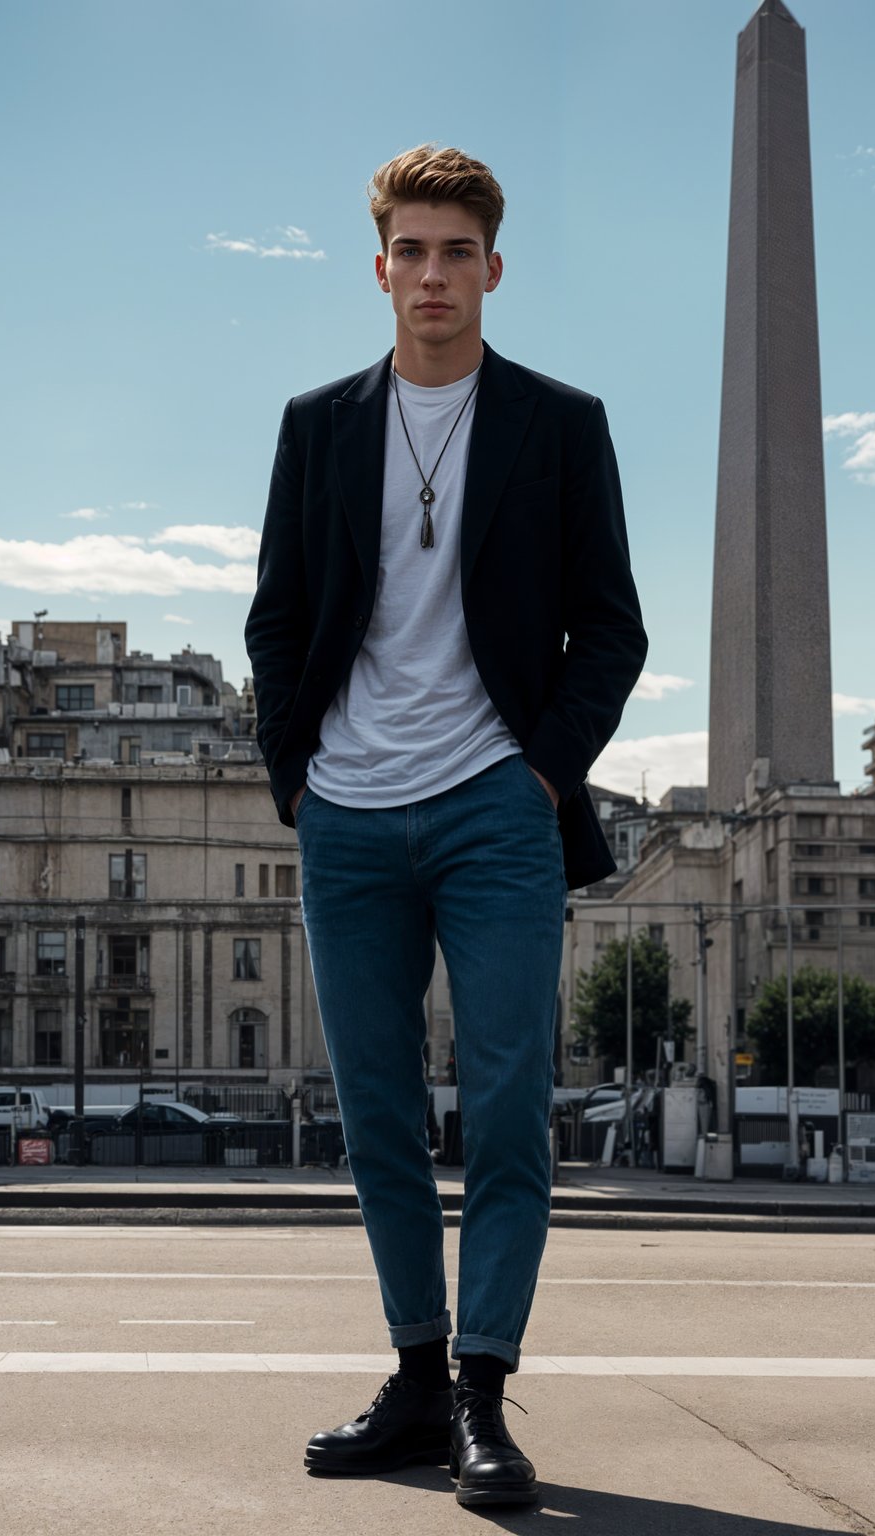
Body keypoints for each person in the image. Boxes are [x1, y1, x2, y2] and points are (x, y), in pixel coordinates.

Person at [245, 143, 647, 1509]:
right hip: (345, 816)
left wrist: (539, 774)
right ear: (380, 268)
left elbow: (614, 626)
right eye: (409, 251)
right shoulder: (319, 424)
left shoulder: (558, 422)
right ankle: (417, 1377)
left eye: (455, 252)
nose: (431, 275)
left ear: (492, 267)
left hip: (494, 809)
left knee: (511, 1110)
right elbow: (279, 616)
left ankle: (484, 1390)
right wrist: (292, 774)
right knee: (373, 1115)